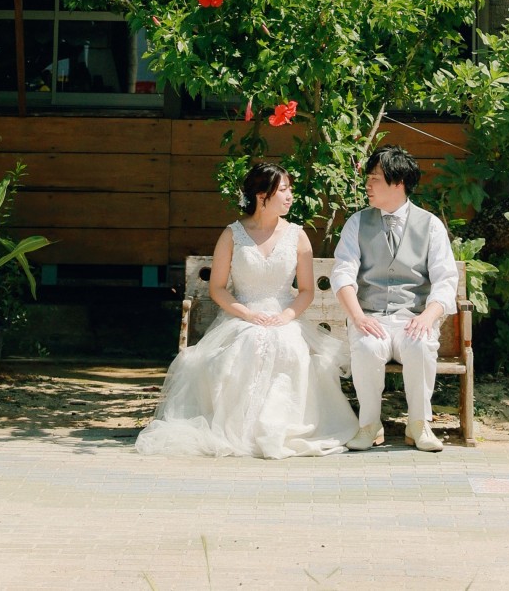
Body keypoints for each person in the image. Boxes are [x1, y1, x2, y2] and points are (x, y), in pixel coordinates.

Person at [135, 162, 357, 458]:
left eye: (290, 189)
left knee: (287, 346)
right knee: (248, 344)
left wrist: (287, 316)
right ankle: (241, 431)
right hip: (242, 313)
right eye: (284, 190)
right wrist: (247, 314)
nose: (291, 196)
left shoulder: (297, 236)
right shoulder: (232, 235)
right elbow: (218, 288)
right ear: (262, 196)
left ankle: (278, 428)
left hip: (283, 315)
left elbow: (306, 290)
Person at [330, 145, 458, 453]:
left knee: (420, 344)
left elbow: (446, 278)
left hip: (412, 316)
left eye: (374, 178)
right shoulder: (357, 223)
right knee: (367, 345)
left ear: (398, 183)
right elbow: (342, 273)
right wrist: (358, 317)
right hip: (371, 315)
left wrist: (429, 315)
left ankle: (419, 425)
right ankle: (370, 425)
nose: (367, 185)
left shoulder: (430, 225)